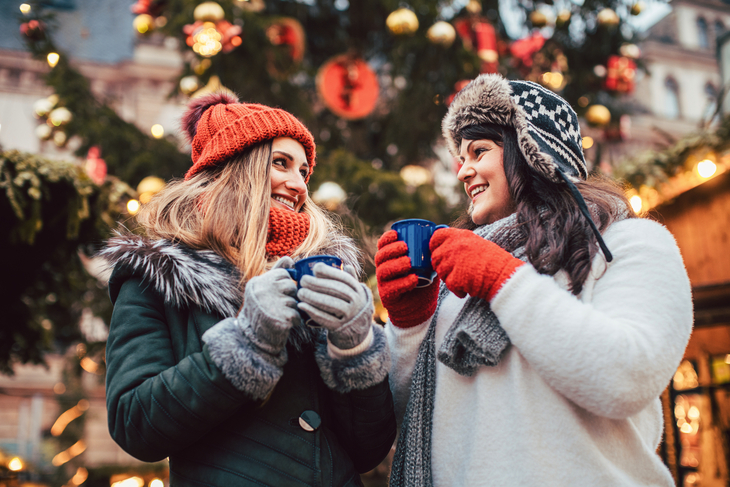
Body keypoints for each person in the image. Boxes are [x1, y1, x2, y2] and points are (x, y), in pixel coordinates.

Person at [376, 74, 693, 486]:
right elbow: (416, 417)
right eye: (461, 158)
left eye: (479, 151)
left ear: (531, 152)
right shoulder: (460, 279)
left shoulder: (629, 243)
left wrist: (504, 280)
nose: (463, 171)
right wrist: (409, 325)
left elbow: (626, 377)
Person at [100, 93, 396, 487]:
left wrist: (355, 347)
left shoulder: (325, 275)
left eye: (303, 170)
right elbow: (134, 424)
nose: (299, 185)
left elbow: (367, 450)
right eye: (280, 163)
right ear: (235, 168)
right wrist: (246, 342)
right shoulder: (158, 277)